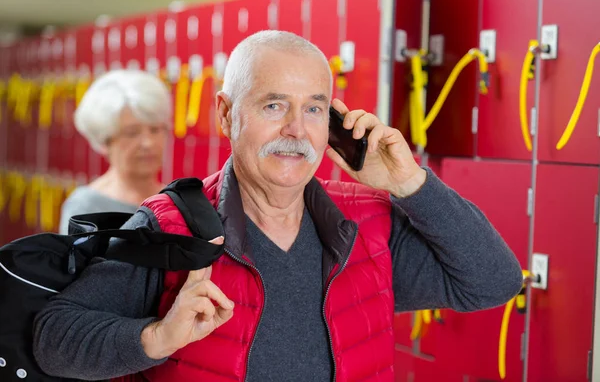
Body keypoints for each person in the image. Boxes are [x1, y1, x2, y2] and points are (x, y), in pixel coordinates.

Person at [33, 31, 523, 382]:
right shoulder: (169, 227)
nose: (296, 128)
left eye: (313, 108)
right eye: (273, 105)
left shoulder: (368, 225)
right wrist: (158, 337)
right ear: (227, 113)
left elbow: (492, 281)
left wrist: (411, 183)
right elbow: (54, 339)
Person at [57, 69, 170, 234]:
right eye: (132, 133)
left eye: (155, 130)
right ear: (105, 141)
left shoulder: (175, 201)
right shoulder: (85, 207)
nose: (148, 143)